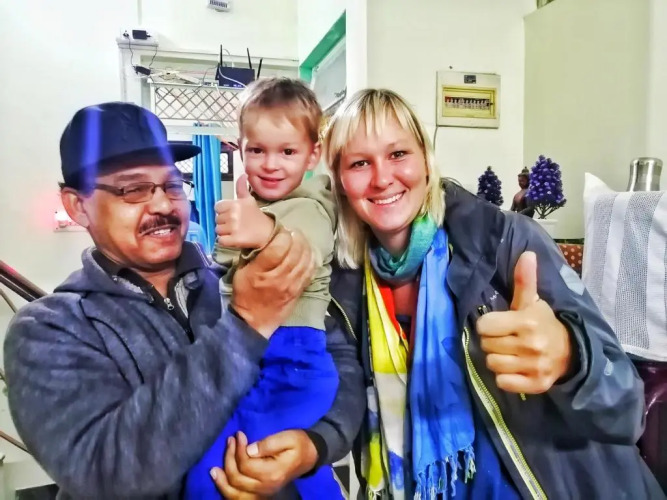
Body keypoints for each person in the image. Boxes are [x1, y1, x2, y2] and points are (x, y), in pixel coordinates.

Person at [3, 102, 365, 499]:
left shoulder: (236, 277)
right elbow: (103, 473)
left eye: (172, 185)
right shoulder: (50, 329)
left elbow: (341, 361)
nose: (163, 205)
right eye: (133, 189)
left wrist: (316, 444)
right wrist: (245, 324)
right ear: (78, 205)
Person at [312, 89, 660, 499]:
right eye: (359, 163)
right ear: (339, 182)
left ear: (425, 160)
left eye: (398, 154)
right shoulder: (341, 285)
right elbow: (340, 400)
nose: (382, 178)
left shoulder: (506, 242)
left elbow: (626, 407)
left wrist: (569, 358)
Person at [185, 78, 342, 499]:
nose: (271, 164)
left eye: (287, 152)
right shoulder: (251, 205)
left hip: (293, 361)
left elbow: (303, 252)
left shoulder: (311, 206)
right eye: (257, 150)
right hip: (250, 355)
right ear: (240, 149)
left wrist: (265, 232)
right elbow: (222, 268)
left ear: (313, 154)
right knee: (216, 467)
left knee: (250, 466)